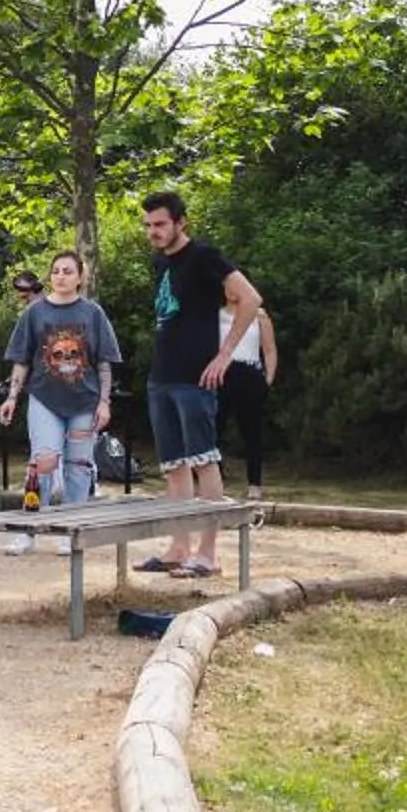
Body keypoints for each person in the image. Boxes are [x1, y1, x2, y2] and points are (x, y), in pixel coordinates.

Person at [138, 190, 262, 579]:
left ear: (180, 222)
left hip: (196, 377)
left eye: (160, 224)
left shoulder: (204, 256)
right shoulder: (160, 262)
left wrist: (224, 355)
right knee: (173, 466)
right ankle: (179, 547)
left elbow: (250, 298)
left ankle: (208, 554)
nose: (153, 232)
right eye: (148, 226)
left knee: (203, 459)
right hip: (162, 376)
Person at [0, 251, 123, 557]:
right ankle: (28, 530)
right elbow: (22, 360)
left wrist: (104, 402)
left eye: (68, 271)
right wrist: (12, 396)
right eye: (56, 271)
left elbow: (104, 362)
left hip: (84, 400)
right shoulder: (34, 314)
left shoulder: (93, 313)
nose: (61, 276)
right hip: (45, 398)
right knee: (43, 462)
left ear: (80, 277)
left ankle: (71, 530)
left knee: (79, 467)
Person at [218, 291, 278, 500]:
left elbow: (269, 349)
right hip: (221, 373)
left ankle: (254, 483)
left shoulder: (258, 315)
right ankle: (216, 481)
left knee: (252, 432)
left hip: (249, 372)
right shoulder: (215, 314)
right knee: (215, 429)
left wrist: (267, 379)